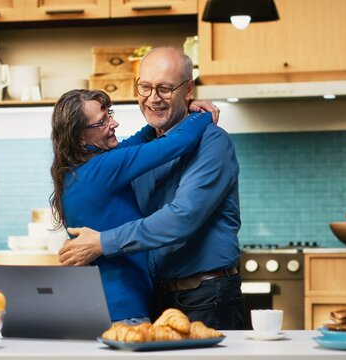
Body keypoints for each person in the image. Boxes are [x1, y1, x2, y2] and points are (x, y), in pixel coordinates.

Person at [58, 47, 244, 330]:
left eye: (165, 89)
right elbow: (157, 139)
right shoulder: (128, 155)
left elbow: (182, 217)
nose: (153, 98)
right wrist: (192, 112)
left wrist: (102, 242)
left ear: (188, 89)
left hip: (205, 296)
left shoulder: (212, 142)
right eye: (144, 87)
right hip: (158, 298)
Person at [49, 89, 218, 324]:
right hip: (125, 311)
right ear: (79, 137)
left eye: (110, 114)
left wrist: (179, 111)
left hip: (98, 308)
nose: (114, 123)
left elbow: (139, 140)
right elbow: (179, 142)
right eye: (102, 121)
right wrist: (202, 114)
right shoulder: (104, 168)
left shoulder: (76, 173)